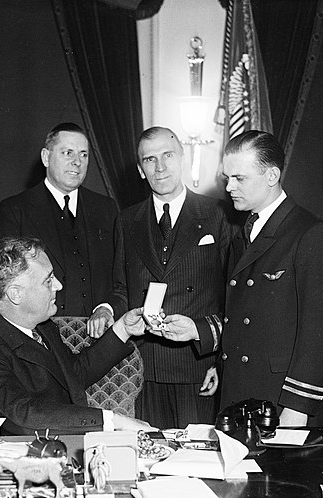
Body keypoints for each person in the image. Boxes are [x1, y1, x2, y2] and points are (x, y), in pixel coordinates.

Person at [158, 130, 323, 427]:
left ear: (272, 176)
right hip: (239, 395)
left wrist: (298, 408)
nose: (229, 187)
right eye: (227, 178)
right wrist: (199, 333)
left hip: (281, 404)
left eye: (239, 179)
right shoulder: (245, 233)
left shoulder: (310, 234)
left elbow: (319, 336)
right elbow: (242, 315)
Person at [87, 127, 232, 430]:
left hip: (198, 365)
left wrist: (220, 362)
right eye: (150, 160)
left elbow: (232, 297)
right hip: (143, 368)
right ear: (141, 170)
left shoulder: (218, 214)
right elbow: (120, 287)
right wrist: (107, 308)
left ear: (182, 157)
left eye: (167, 156)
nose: (161, 167)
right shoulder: (127, 220)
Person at [0, 236, 152, 435]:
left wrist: (123, 329)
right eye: (48, 280)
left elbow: (74, 374)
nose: (58, 285)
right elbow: (23, 416)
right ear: (15, 294)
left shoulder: (42, 327)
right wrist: (112, 420)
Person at [0, 123, 118, 316]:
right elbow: (8, 284)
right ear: (46, 157)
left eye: (84, 154)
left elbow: (118, 276)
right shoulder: (15, 210)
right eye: (68, 153)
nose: (77, 162)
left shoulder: (106, 209)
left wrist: (107, 309)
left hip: (100, 332)